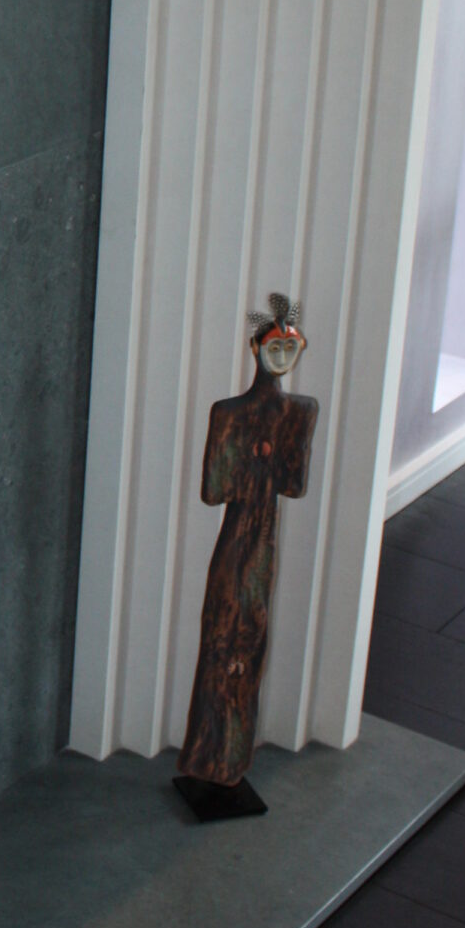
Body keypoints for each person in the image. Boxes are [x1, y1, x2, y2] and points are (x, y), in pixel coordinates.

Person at [174, 295, 318, 820]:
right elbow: (214, 490)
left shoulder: (300, 412)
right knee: (224, 637)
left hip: (262, 542)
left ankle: (229, 761)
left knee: (248, 640)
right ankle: (208, 757)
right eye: (274, 347)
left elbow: (293, 484)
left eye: (290, 348)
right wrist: (258, 457)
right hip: (239, 543)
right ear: (256, 349)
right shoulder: (229, 414)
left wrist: (260, 457)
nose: (282, 357)